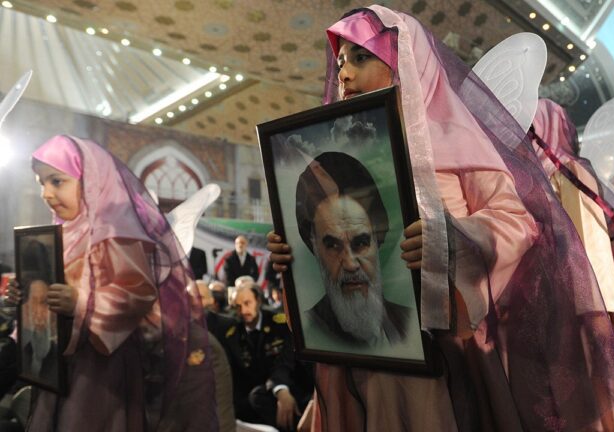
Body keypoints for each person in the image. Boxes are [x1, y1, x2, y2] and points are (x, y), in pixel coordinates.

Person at [270, 6, 614, 431]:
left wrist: (452, 241)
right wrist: (293, 253)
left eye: (361, 57)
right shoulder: (327, 154)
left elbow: (516, 221)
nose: (344, 73)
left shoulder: (456, 137)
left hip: (441, 349)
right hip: (357, 352)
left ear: (405, 56)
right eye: (341, 60)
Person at [9, 135, 217, 431]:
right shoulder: (61, 235)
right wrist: (26, 297)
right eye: (41, 182)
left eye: (57, 181)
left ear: (90, 179)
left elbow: (137, 292)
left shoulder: (115, 234)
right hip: (56, 367)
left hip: (99, 371)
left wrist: (80, 303)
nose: (46, 193)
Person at [529, 99, 614, 430]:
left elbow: (592, 243)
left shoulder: (571, 172)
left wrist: (595, 309)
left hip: (579, 305)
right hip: (549, 300)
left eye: (532, 126)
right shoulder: (534, 174)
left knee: (593, 390)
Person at [295, 152, 412, 347]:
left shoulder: (410, 324)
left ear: (377, 239)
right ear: (315, 247)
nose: (350, 264)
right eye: (332, 246)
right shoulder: (308, 329)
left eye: (360, 243)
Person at [219, 285, 313, 430]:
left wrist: (280, 388)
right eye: (238, 306)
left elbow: (285, 361)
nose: (243, 311)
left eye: (247, 303)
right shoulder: (232, 335)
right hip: (258, 397)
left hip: (290, 385)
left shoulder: (280, 324)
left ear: (258, 301)